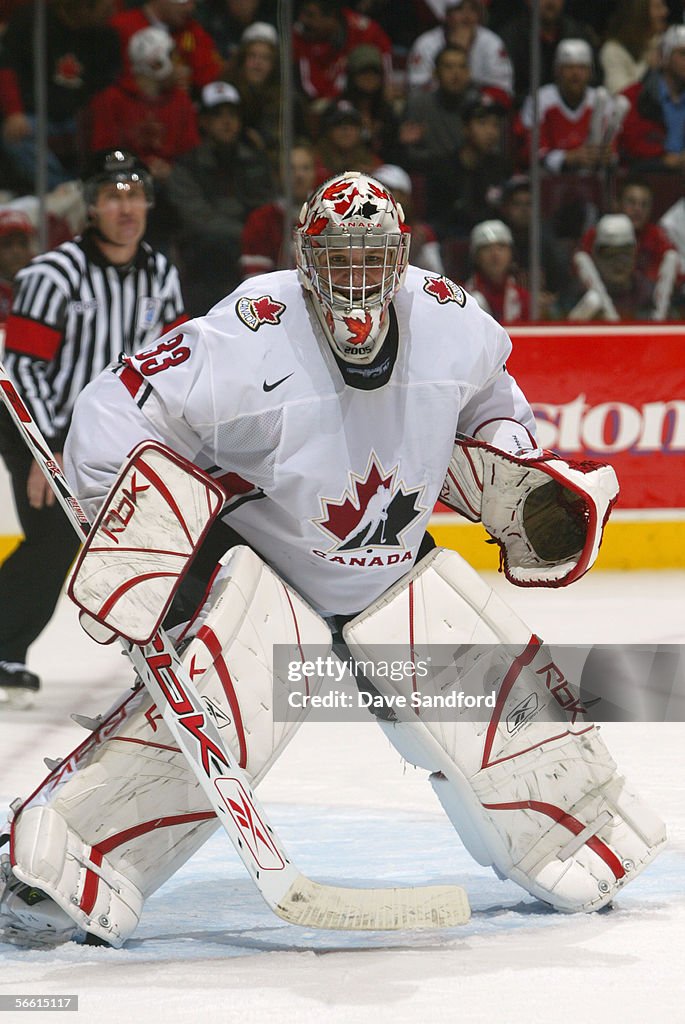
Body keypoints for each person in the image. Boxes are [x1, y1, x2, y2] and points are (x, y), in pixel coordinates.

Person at [0, 170, 664, 948]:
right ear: (303, 258)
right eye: (337, 258)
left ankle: (570, 828)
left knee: (494, 705)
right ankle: (59, 862)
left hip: (392, 565)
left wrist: (511, 462)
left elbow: (490, 394)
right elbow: (114, 405)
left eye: (371, 258)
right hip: (273, 568)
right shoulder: (247, 331)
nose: (355, 278)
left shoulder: (449, 318)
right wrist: (144, 546)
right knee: (216, 721)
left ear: (402, 257)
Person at [0, 150, 186, 699]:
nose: (125, 207)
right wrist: (44, 451)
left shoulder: (161, 274)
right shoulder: (51, 275)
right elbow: (22, 368)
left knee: (153, 539)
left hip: (117, 437)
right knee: (56, 539)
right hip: (37, 427)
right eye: (112, 196)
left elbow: (175, 364)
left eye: (133, 195)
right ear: (92, 207)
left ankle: (167, 656)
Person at [165, 81, 274, 315]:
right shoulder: (187, 166)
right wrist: (248, 235)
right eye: (218, 115)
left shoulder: (255, 162)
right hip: (204, 268)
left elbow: (267, 209)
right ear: (204, 121)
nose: (227, 122)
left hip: (253, 261)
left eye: (232, 115)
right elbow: (197, 219)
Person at [0, 0, 121, 190]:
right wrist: (14, 111)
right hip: (35, 116)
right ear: (81, 7)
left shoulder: (106, 35)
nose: (113, 12)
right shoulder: (32, 20)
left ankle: (82, 189)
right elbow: (7, 68)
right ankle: (66, 190)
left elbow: (106, 88)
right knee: (15, 137)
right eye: (105, 8)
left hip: (79, 118)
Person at [407, 0, 514, 107]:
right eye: (459, 9)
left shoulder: (492, 43)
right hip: (436, 108)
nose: (467, 16)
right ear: (446, 15)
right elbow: (417, 89)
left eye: (473, 9)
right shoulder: (426, 43)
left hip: (477, 110)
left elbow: (503, 92)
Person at [239, 142, 318, 278]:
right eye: (291, 168)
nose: (299, 175)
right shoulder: (261, 219)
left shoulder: (329, 216)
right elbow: (255, 278)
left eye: (306, 168)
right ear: (278, 174)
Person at [567, 212, 664, 320]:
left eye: (625, 254)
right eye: (610, 254)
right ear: (596, 256)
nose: (619, 263)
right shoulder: (577, 295)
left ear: (634, 255)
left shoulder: (647, 296)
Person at [619, 24, 685, 172]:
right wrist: (666, 161)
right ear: (665, 57)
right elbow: (629, 149)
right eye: (683, 54)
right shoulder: (634, 98)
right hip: (648, 179)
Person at [465, 218, 531, 323]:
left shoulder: (524, 298)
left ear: (511, 253)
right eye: (486, 248)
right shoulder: (463, 297)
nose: (495, 254)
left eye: (501, 247)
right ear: (476, 256)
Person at [599, 0, 668, 95]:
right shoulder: (613, 51)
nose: (665, 12)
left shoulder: (663, 42)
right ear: (639, 13)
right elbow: (621, 96)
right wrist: (649, 70)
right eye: (657, 7)